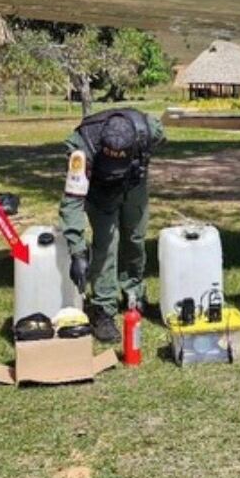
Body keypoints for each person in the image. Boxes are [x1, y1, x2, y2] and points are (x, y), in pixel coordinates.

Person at [59, 108, 165, 342]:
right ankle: (103, 309)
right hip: (99, 190)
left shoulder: (149, 130)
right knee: (106, 245)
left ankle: (134, 295)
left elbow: (159, 139)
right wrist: (77, 252)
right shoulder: (82, 148)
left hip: (134, 183)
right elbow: (72, 202)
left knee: (135, 237)